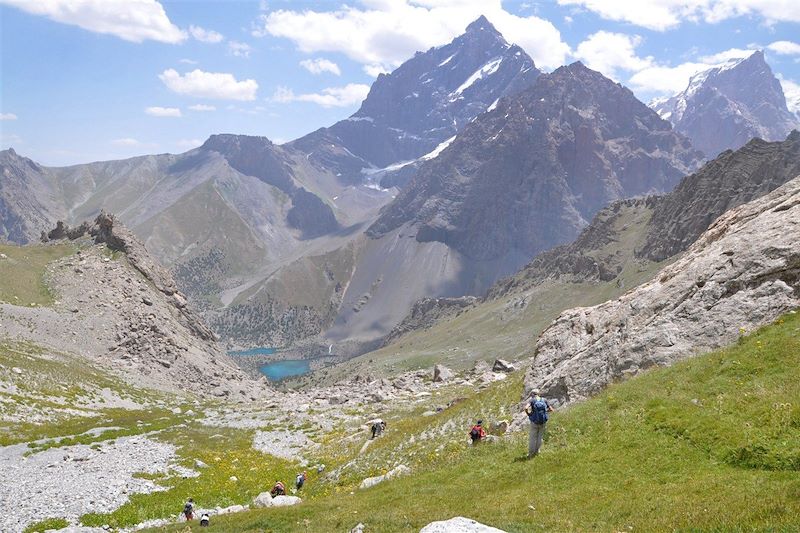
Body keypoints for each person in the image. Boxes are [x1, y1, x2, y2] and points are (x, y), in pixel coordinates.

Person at [526, 389, 554, 457]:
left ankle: (531, 454)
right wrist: (544, 412)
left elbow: (526, 408)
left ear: (532, 394)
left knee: (533, 437)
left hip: (534, 422)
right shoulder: (544, 400)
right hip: (543, 421)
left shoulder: (532, 400)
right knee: (540, 437)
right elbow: (551, 409)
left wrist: (529, 414)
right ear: (538, 394)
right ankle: (537, 451)